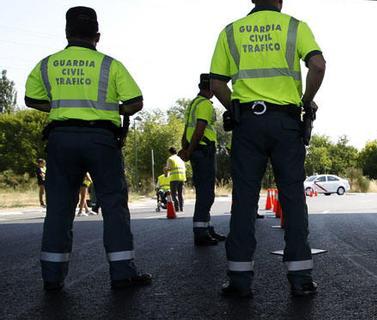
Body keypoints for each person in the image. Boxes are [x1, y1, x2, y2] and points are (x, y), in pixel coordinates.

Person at [24, 6, 151, 291]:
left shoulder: (47, 64)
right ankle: (122, 274)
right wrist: (110, 108)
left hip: (61, 139)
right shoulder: (110, 65)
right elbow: (135, 103)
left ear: (68, 33)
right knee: (113, 205)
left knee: (58, 208)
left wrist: (60, 106)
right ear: (97, 35)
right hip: (101, 141)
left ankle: (52, 278)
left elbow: (32, 99)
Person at [210, 0, 326, 298]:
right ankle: (300, 277)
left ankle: (239, 278)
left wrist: (234, 109)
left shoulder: (231, 32)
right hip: (286, 123)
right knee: (292, 196)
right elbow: (317, 65)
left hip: (248, 123)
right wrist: (305, 100)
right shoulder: (294, 27)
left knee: (245, 199)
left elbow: (217, 83)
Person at [179, 74, 226, 246]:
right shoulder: (205, 104)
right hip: (204, 150)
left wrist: (185, 149)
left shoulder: (194, 103)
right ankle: (201, 232)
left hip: (196, 151)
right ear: (211, 88)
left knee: (203, 190)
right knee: (206, 193)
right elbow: (199, 130)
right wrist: (189, 150)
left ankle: (207, 227)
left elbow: (187, 129)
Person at [166, 147, 187, 212]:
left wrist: (165, 170)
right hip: (182, 177)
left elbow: (169, 169)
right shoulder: (180, 159)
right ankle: (181, 208)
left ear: (170, 152)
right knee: (180, 194)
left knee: (173, 194)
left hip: (174, 178)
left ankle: (176, 207)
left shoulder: (170, 159)